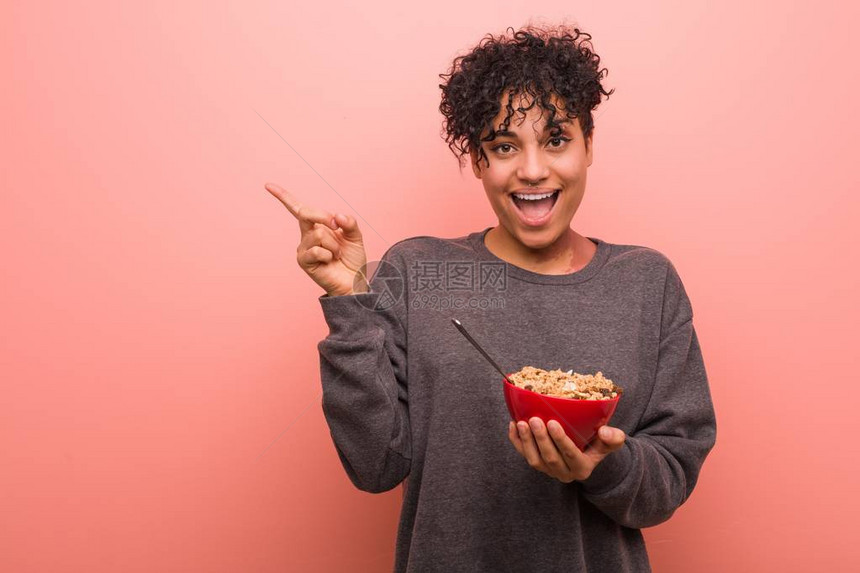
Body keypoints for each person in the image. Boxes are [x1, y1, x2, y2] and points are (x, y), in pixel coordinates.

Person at [266, 23, 717, 573]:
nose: (532, 169)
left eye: (556, 139)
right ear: (479, 162)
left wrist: (600, 467)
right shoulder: (419, 271)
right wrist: (349, 303)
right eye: (504, 146)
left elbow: (669, 479)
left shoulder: (646, 282)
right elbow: (375, 464)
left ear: (589, 145)